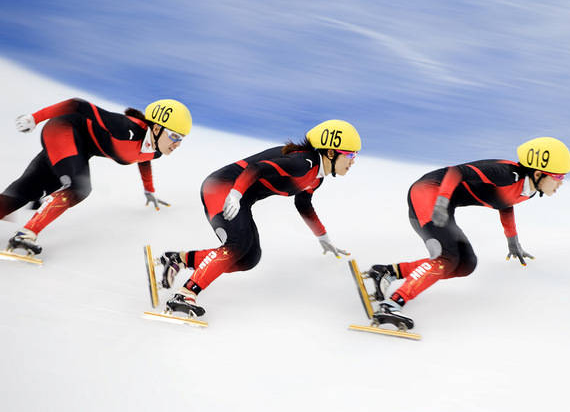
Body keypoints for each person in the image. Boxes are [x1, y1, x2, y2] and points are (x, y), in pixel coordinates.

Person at [363, 137, 570, 328]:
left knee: (465, 264)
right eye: (558, 176)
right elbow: (457, 172)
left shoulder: (528, 189)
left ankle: (386, 271)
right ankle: (392, 304)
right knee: (447, 257)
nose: (561, 182)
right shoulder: (507, 174)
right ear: (538, 173)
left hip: (442, 202)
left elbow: (506, 203)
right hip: (430, 193)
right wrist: (444, 200)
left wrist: (512, 239)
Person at [158, 119, 361, 317]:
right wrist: (236, 194)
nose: (353, 161)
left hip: (240, 196)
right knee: (237, 245)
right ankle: (185, 294)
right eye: (350, 154)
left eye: (356, 156)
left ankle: (178, 259)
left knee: (250, 258)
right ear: (331, 152)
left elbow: (303, 204)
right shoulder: (303, 164)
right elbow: (257, 169)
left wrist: (323, 237)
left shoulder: (316, 177)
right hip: (222, 188)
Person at [0, 97, 192, 254]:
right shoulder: (126, 129)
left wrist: (149, 190)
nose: (177, 144)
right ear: (157, 129)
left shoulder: (156, 150)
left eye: (181, 139)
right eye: (175, 136)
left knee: (28, 189)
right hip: (63, 129)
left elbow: (143, 159)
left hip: (78, 148)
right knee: (79, 188)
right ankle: (26, 234)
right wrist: (35, 117)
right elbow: (78, 105)